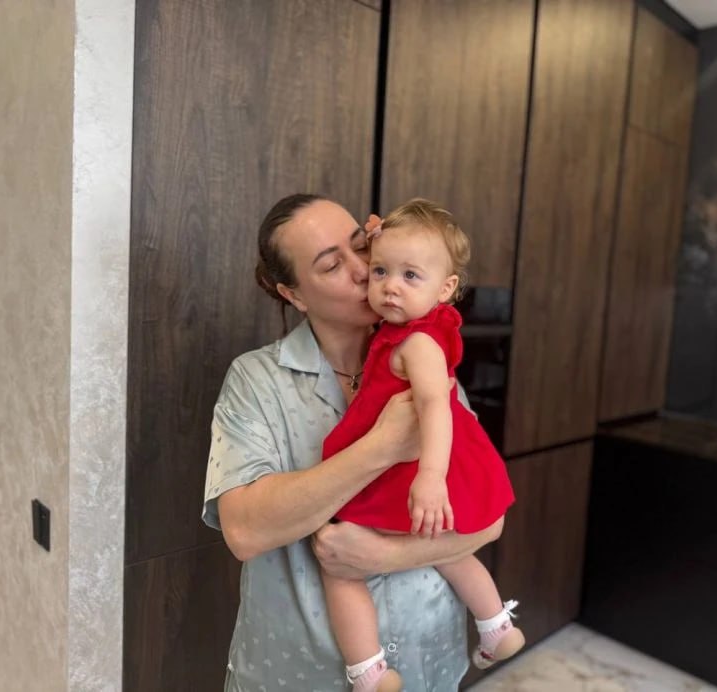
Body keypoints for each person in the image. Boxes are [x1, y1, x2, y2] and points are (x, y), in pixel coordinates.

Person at [201, 193, 505, 692]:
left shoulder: (424, 355)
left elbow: (488, 520)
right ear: (294, 294)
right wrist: (381, 447)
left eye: (362, 245)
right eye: (331, 265)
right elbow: (244, 531)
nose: (364, 270)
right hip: (300, 672)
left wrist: (386, 555)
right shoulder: (256, 379)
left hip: (429, 658)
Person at [320, 199, 524, 691]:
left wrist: (430, 479)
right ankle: (496, 626)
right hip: (421, 467)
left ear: (445, 289)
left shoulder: (417, 343)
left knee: (340, 566)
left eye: (410, 276)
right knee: (446, 551)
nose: (390, 286)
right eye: (380, 271)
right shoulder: (409, 329)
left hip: (413, 472)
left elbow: (434, 405)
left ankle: (368, 670)